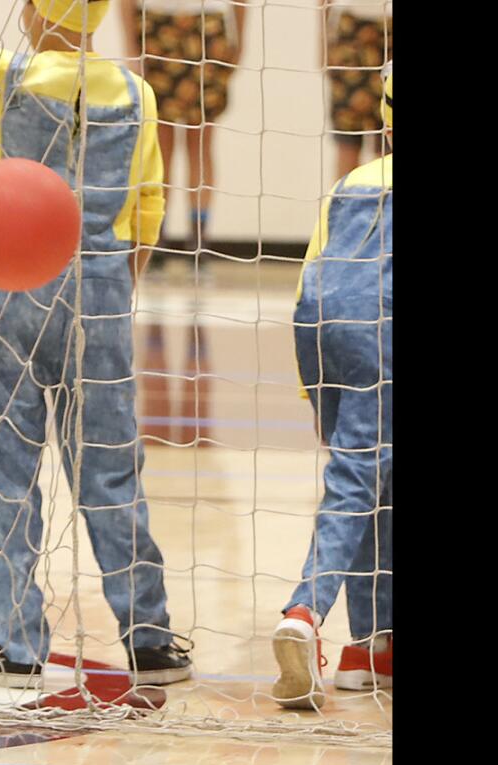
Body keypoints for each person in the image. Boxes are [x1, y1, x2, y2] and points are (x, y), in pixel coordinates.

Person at [0, 0, 193, 687]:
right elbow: (147, 208)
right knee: (112, 468)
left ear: (31, 12)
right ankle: (149, 639)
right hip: (100, 288)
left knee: (2, 467)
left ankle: (18, 642)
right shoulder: (136, 92)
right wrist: (110, 290)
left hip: (8, 288)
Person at [271, 62, 391, 711]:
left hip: (321, 332)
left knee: (375, 479)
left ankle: (372, 647)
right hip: (384, 335)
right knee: (359, 479)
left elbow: (309, 278)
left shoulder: (354, 180)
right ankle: (304, 609)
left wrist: (310, 387)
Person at [119, 0, 247, 254]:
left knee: (200, 143)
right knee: (161, 145)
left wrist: (239, 41)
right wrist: (132, 47)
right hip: (157, 27)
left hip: (207, 28)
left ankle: (199, 237)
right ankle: (158, 237)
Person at [323, 1, 392, 179]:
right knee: (348, 138)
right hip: (350, 30)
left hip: (389, 25)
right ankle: (343, 205)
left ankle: (385, 206)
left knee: (388, 144)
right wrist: (323, 41)